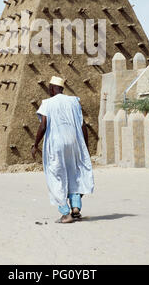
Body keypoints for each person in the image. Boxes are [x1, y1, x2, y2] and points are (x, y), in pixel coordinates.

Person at [31, 76, 94, 223]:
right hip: (74, 143)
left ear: (53, 88)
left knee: (56, 176)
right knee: (74, 173)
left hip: (56, 144)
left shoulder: (47, 103)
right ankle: (76, 208)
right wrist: (85, 147)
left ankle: (66, 213)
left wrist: (35, 144)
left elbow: (43, 125)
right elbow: (82, 125)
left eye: (49, 87)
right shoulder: (74, 101)